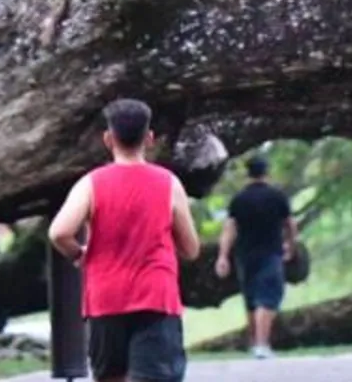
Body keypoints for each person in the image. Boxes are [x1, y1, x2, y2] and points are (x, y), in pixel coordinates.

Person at [49, 98, 202, 382]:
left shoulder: (91, 184)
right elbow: (191, 249)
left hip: (105, 300)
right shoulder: (168, 183)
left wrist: (78, 254)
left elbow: (59, 232)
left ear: (108, 139)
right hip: (156, 299)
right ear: (149, 138)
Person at [214, 154, 299, 359]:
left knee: (252, 299)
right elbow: (290, 224)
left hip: (244, 255)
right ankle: (262, 344)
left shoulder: (239, 199)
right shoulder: (277, 196)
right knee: (268, 298)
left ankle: (255, 343)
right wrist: (291, 245)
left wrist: (223, 256)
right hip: (270, 253)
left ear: (248, 174)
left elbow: (229, 229)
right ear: (266, 173)